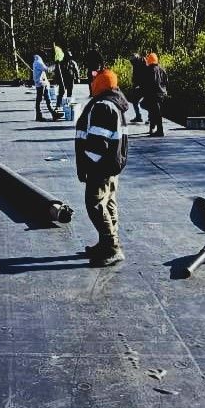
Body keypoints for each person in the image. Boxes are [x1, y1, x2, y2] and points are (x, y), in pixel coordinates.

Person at [75, 68, 129, 266]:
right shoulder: (114, 104)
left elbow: (98, 142)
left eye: (95, 80)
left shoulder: (103, 106)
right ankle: (106, 242)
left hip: (101, 166)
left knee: (95, 204)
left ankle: (112, 247)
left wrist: (87, 165)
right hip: (111, 164)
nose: (92, 82)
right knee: (108, 203)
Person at [143, 52, 169, 137]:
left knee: (155, 112)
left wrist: (145, 93)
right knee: (156, 111)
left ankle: (159, 130)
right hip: (162, 93)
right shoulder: (161, 69)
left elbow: (149, 83)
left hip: (153, 94)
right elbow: (166, 81)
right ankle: (154, 128)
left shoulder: (149, 70)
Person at [33, 52, 58, 121]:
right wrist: (54, 66)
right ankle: (39, 115)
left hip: (41, 83)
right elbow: (47, 69)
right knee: (40, 99)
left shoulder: (36, 62)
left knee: (47, 99)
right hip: (41, 84)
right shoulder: (38, 62)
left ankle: (53, 113)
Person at [128, 53, 148, 123]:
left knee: (147, 103)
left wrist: (139, 84)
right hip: (139, 85)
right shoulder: (136, 63)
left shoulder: (143, 62)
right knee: (135, 100)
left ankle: (151, 118)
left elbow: (146, 75)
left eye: (132, 61)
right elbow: (135, 76)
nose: (132, 63)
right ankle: (138, 116)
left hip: (146, 86)